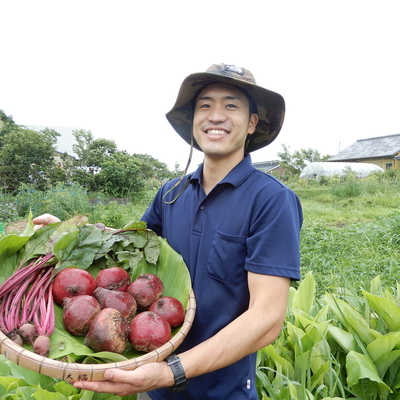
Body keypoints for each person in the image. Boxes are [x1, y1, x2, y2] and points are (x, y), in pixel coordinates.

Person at [33, 63, 303, 400]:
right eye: (205, 105)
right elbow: (127, 244)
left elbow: (266, 318)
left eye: (231, 105)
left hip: (222, 390)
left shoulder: (271, 200)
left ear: (252, 123)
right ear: (193, 121)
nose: (215, 115)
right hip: (150, 375)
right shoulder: (172, 192)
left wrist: (171, 370)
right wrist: (67, 230)